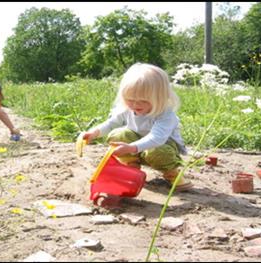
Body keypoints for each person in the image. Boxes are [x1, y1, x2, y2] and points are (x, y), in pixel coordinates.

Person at [79, 63, 191, 192]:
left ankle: (172, 173)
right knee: (118, 134)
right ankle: (132, 165)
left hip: (163, 148)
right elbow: (111, 123)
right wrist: (94, 133)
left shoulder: (165, 114)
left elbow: (157, 138)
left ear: (160, 98)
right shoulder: (127, 108)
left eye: (143, 100)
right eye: (130, 99)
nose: (135, 104)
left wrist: (131, 148)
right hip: (136, 148)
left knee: (157, 151)